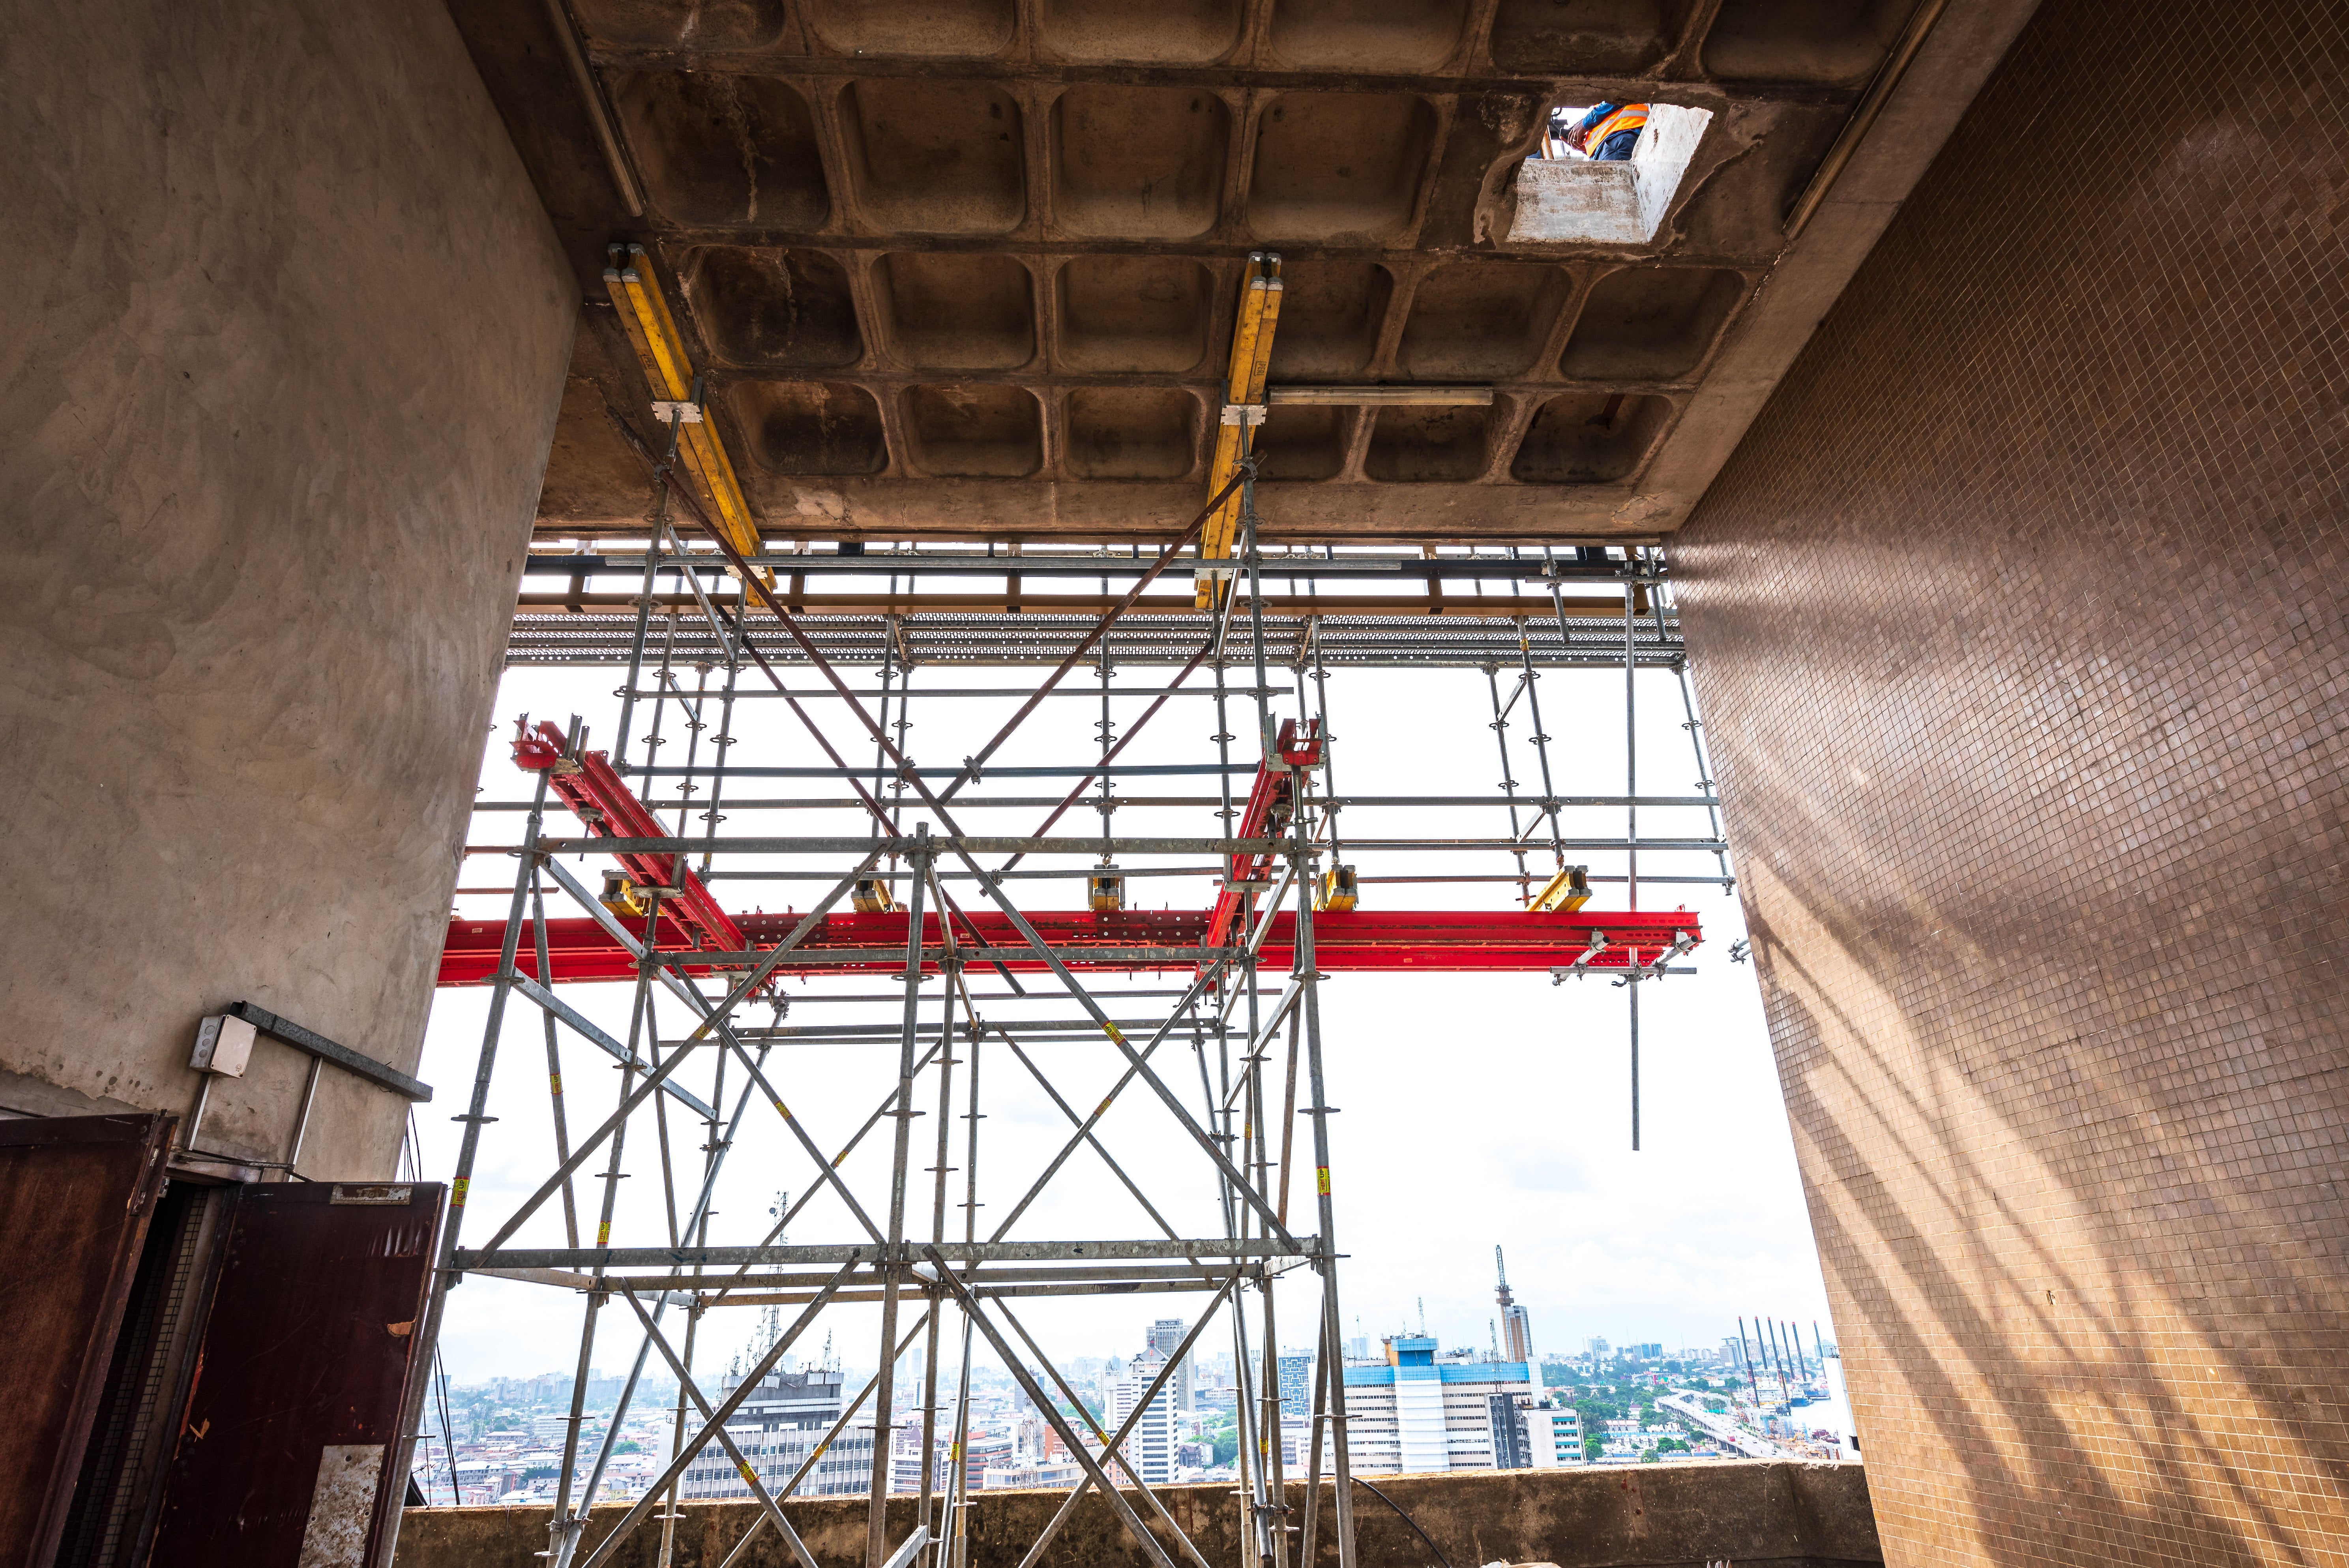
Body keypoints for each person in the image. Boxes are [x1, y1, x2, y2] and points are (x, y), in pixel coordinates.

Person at [1562, 102, 1650, 162]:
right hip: (1604, 150)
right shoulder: (1598, 108)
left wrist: (1585, 123)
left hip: (1618, 138)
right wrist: (1584, 148)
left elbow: (1619, 96)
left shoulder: (1608, 94)